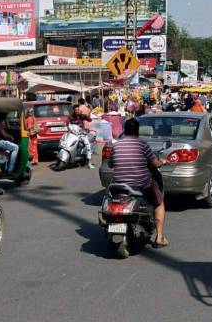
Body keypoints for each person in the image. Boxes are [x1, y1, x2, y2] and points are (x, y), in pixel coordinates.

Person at [108, 118, 168, 247]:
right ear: (137, 131)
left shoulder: (117, 145)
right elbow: (154, 163)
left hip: (118, 184)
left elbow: (110, 163)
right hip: (140, 184)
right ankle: (159, 237)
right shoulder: (142, 145)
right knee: (159, 203)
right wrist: (162, 162)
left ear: (125, 130)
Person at [68, 104, 94, 169]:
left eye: (78, 110)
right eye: (75, 110)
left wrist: (84, 115)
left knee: (87, 145)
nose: (77, 111)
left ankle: (88, 162)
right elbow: (67, 124)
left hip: (81, 134)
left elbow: (90, 120)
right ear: (73, 110)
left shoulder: (81, 116)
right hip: (73, 135)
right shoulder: (71, 117)